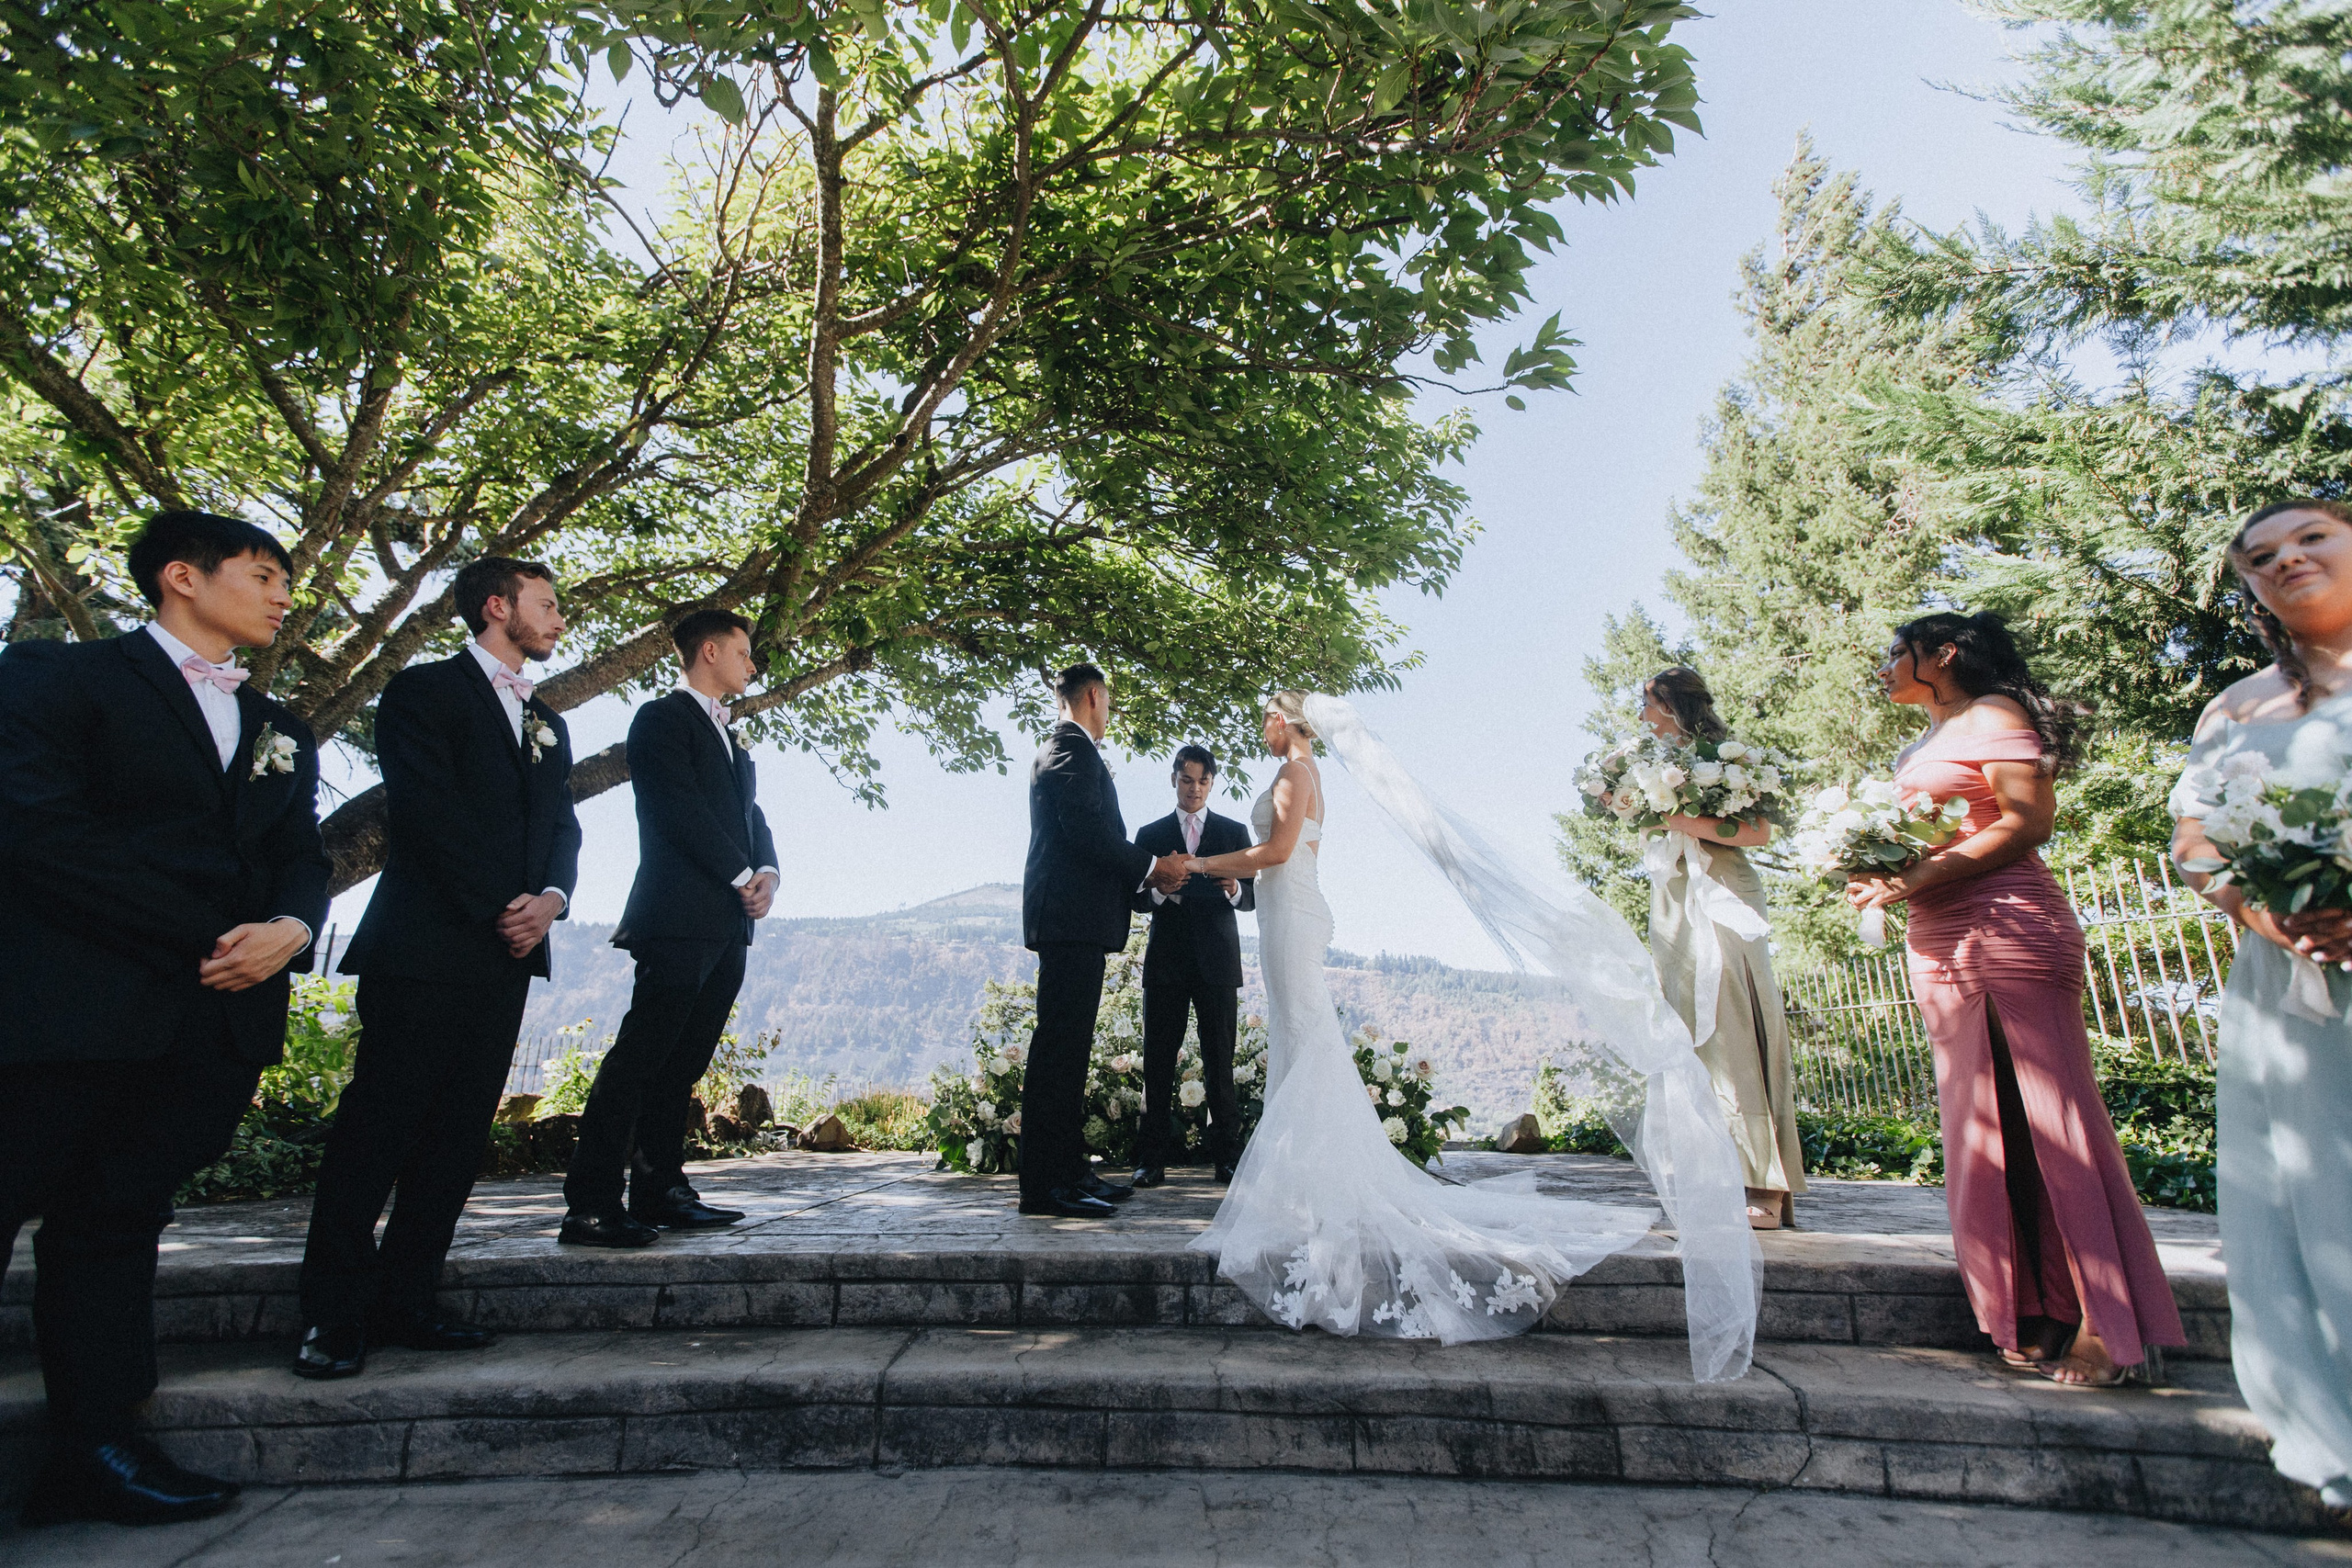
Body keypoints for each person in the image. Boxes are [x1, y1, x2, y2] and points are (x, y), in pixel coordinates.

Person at [0, 510, 328, 1526]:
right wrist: (208, 932)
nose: (283, 595)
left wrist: (290, 929)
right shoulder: (59, 678)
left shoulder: (281, 730)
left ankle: (98, 1445)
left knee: (117, 1223)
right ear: (182, 576)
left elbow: (300, 855)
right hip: (66, 1011)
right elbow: (38, 830)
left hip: (205, 1027)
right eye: (263, 573)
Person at [1182, 692, 1660, 1343]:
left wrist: (1201, 863)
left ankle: (1315, 1189)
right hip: (1287, 911)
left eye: (1265, 715)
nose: (1259, 727)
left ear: (1284, 720)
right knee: (1303, 1041)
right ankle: (1308, 1187)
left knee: (1304, 1039)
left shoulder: (1294, 771)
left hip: (1290, 913)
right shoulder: (1305, 772)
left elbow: (1277, 851)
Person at [1847, 611, 2185, 1387]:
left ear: (1943, 654)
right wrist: (1874, 866)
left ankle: (2109, 1324)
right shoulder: (1918, 744)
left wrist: (1915, 875)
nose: (1885, 666)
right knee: (1984, 1127)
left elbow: (2029, 823)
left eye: (1898, 652)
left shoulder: (1995, 714)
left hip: (2009, 926)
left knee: (2055, 1123)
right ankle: (2035, 1308)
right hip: (1937, 939)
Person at [292, 558, 582, 1379]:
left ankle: (409, 1298)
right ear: (497, 606)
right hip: (424, 946)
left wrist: (551, 899)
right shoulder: (421, 692)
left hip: (508, 954)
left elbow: (562, 824)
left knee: (457, 1137)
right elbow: (426, 811)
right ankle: (331, 1314)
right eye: (546, 604)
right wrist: (502, 903)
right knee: (377, 1128)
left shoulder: (548, 721)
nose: (559, 620)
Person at [2170, 499, 2352, 1509]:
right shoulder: (2237, 708)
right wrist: (2270, 915)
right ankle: (2334, 1439)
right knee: (2310, 1191)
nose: (2288, 559)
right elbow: (2196, 843)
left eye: (2312, 537)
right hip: (2293, 980)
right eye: (2261, 556)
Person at [560, 609, 777, 1247]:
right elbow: (676, 809)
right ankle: (591, 1203)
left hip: (729, 924)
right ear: (709, 651)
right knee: (640, 1057)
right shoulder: (659, 719)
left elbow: (750, 815)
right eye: (743, 652)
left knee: (682, 1063)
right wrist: (741, 872)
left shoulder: (732, 739)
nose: (752, 664)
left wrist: (767, 871)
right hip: (678, 917)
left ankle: (661, 1188)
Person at [1018, 663, 1190, 1218]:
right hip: (1069, 924)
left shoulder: (1072, 751)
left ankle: (1070, 1172)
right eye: (1109, 701)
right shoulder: (1069, 750)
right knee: (1058, 1052)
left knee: (1070, 1051)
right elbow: (1088, 834)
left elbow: (1091, 842)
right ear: (1094, 695)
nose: (1109, 710)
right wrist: (1153, 866)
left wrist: (1146, 880)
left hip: (1078, 924)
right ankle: (1044, 1187)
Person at [1637, 668, 1805, 1230]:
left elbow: (1758, 832)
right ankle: (1707, 1175)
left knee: (1733, 1020)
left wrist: (1681, 818)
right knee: (1685, 1030)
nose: (1642, 717)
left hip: (1724, 893)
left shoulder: (1729, 760)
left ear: (1671, 705)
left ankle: (1763, 1180)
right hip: (1672, 899)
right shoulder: (1648, 765)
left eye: (1648, 705)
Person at [1128, 744, 1255, 1186]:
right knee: (1158, 1062)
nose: (1194, 789)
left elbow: (1252, 898)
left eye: (1203, 781)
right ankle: (1151, 1161)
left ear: (1212, 783)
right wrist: (1161, 890)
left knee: (1220, 1061)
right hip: (1166, 963)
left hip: (1218, 963)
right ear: (1174, 780)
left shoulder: (1234, 833)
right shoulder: (1150, 834)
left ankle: (1227, 1158)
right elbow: (1136, 899)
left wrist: (1233, 889)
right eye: (1187, 780)